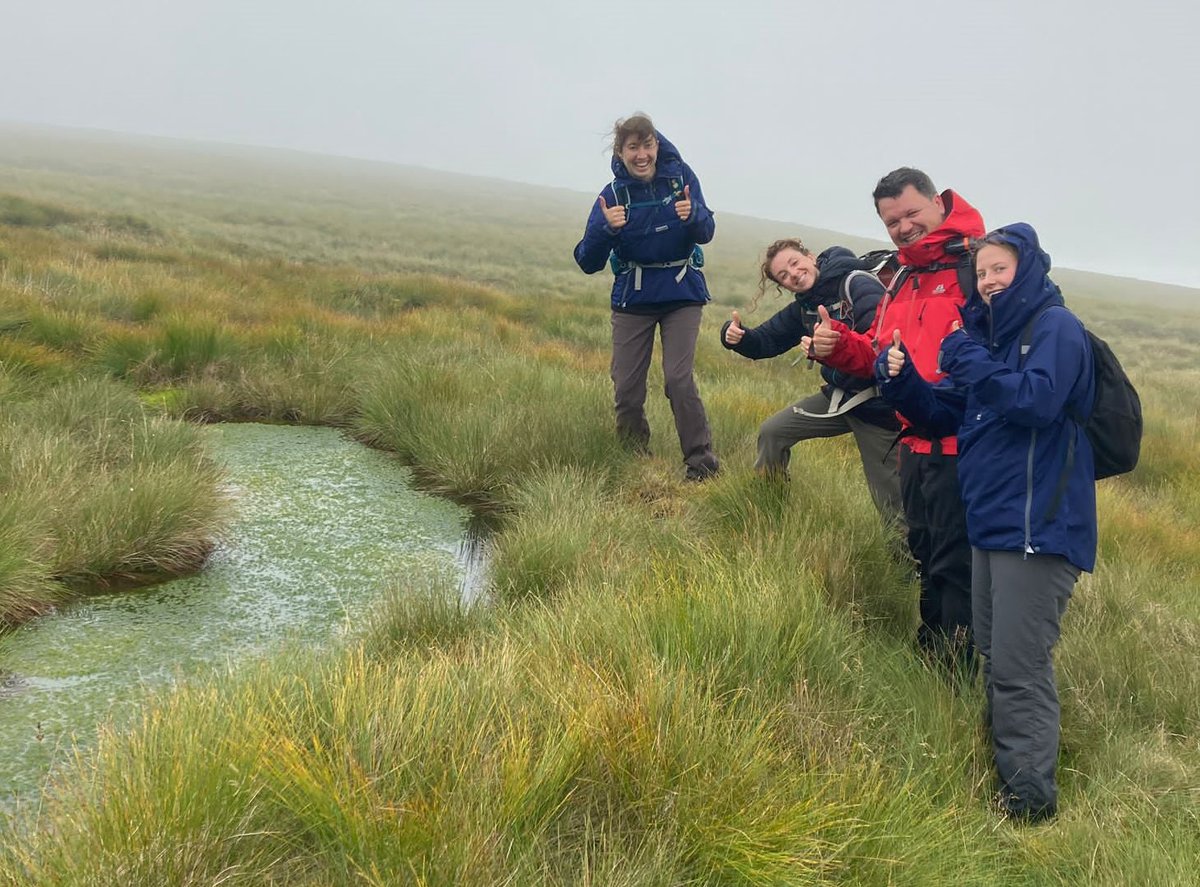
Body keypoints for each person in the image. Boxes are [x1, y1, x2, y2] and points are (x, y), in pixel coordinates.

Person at [873, 223, 1096, 823]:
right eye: (983, 271)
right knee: (995, 659)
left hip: (1038, 526)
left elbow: (1037, 402)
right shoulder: (986, 337)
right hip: (992, 524)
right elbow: (947, 411)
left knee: (1020, 669)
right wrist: (903, 383)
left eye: (1002, 269)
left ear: (1029, 269)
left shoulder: (1056, 328)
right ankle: (1007, 778)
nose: (991, 281)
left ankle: (1028, 809)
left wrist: (966, 357)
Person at [805, 167, 985, 670]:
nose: (903, 228)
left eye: (911, 214)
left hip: (963, 447)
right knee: (925, 554)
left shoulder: (979, 266)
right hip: (912, 443)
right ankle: (932, 656)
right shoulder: (903, 276)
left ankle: (959, 672)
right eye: (892, 222)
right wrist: (839, 346)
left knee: (959, 564)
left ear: (937, 202)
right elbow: (881, 356)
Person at [573, 113, 720, 481]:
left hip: (682, 292)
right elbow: (586, 261)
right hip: (633, 298)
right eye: (633, 147)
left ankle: (701, 464)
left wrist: (694, 215)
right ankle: (633, 458)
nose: (642, 154)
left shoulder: (681, 178)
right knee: (626, 387)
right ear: (620, 153)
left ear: (657, 144)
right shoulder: (612, 196)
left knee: (678, 379)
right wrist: (606, 230)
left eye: (648, 144)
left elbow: (707, 231)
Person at [719, 239, 903, 528]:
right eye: (783, 275)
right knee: (773, 433)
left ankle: (911, 565)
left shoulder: (857, 284)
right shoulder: (805, 306)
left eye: (794, 263)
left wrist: (832, 348)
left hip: (878, 406)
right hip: (840, 398)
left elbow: (881, 354)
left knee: (891, 500)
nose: (792, 274)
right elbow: (767, 340)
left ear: (810, 257)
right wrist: (738, 337)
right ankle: (769, 511)